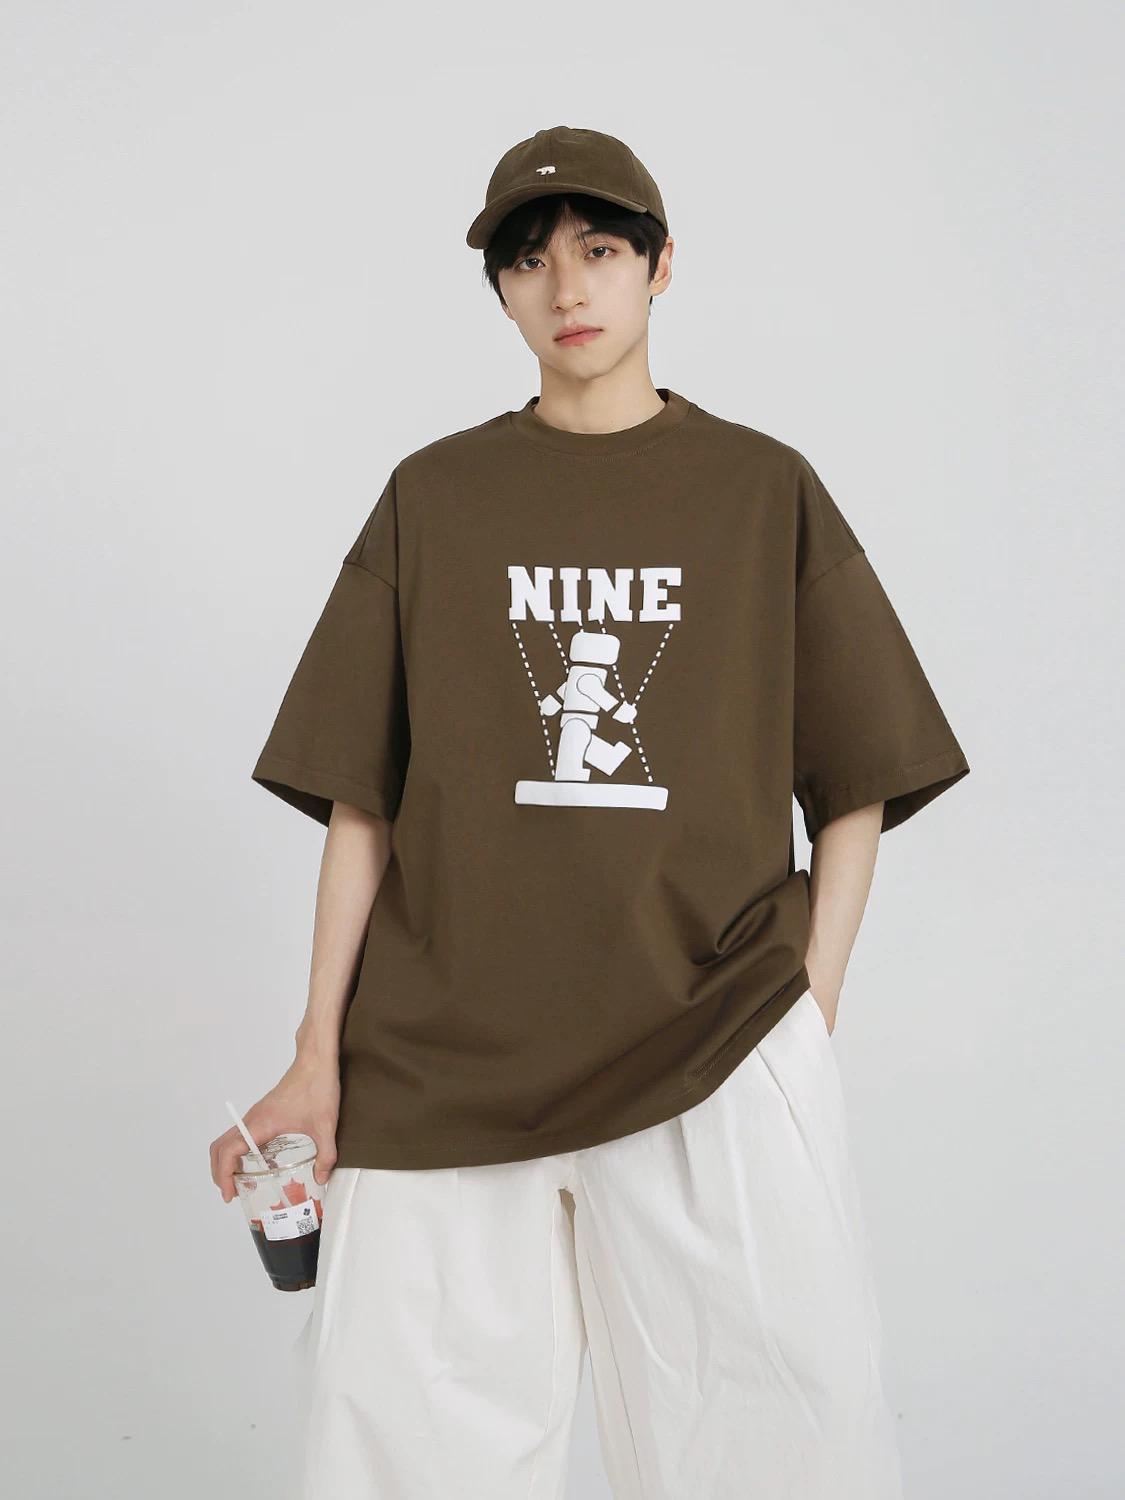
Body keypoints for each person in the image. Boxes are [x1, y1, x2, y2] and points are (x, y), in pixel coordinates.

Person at [210, 125, 970, 1499]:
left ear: (661, 267)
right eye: (529, 262)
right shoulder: (434, 497)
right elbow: (360, 803)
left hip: (713, 1038)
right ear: (500, 292)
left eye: (601, 250)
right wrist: (317, 1056)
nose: (567, 288)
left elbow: (859, 773)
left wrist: (808, 1005)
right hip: (444, 1061)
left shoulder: (762, 489)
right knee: (405, 1461)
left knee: (773, 1451)